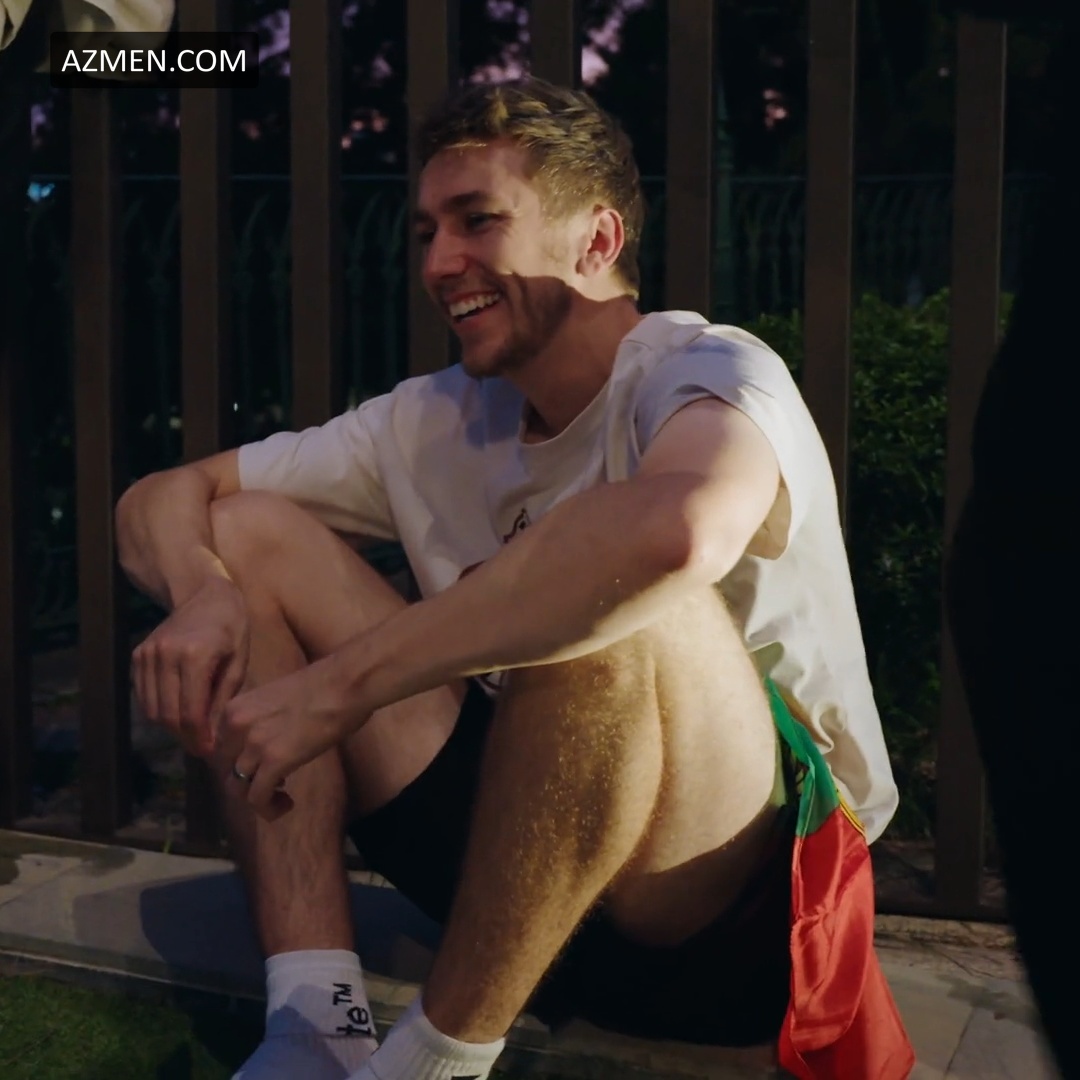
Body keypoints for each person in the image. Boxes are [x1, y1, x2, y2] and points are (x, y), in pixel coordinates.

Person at [116, 79, 911, 1080]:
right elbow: (164, 496)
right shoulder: (433, 418)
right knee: (244, 532)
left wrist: (338, 688)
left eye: (478, 221)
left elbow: (679, 531)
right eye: (427, 232)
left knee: (619, 599)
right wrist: (205, 592)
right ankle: (314, 1023)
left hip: (732, 912)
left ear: (596, 240)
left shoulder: (708, 370)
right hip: (520, 865)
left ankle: (435, 1063)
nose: (438, 263)